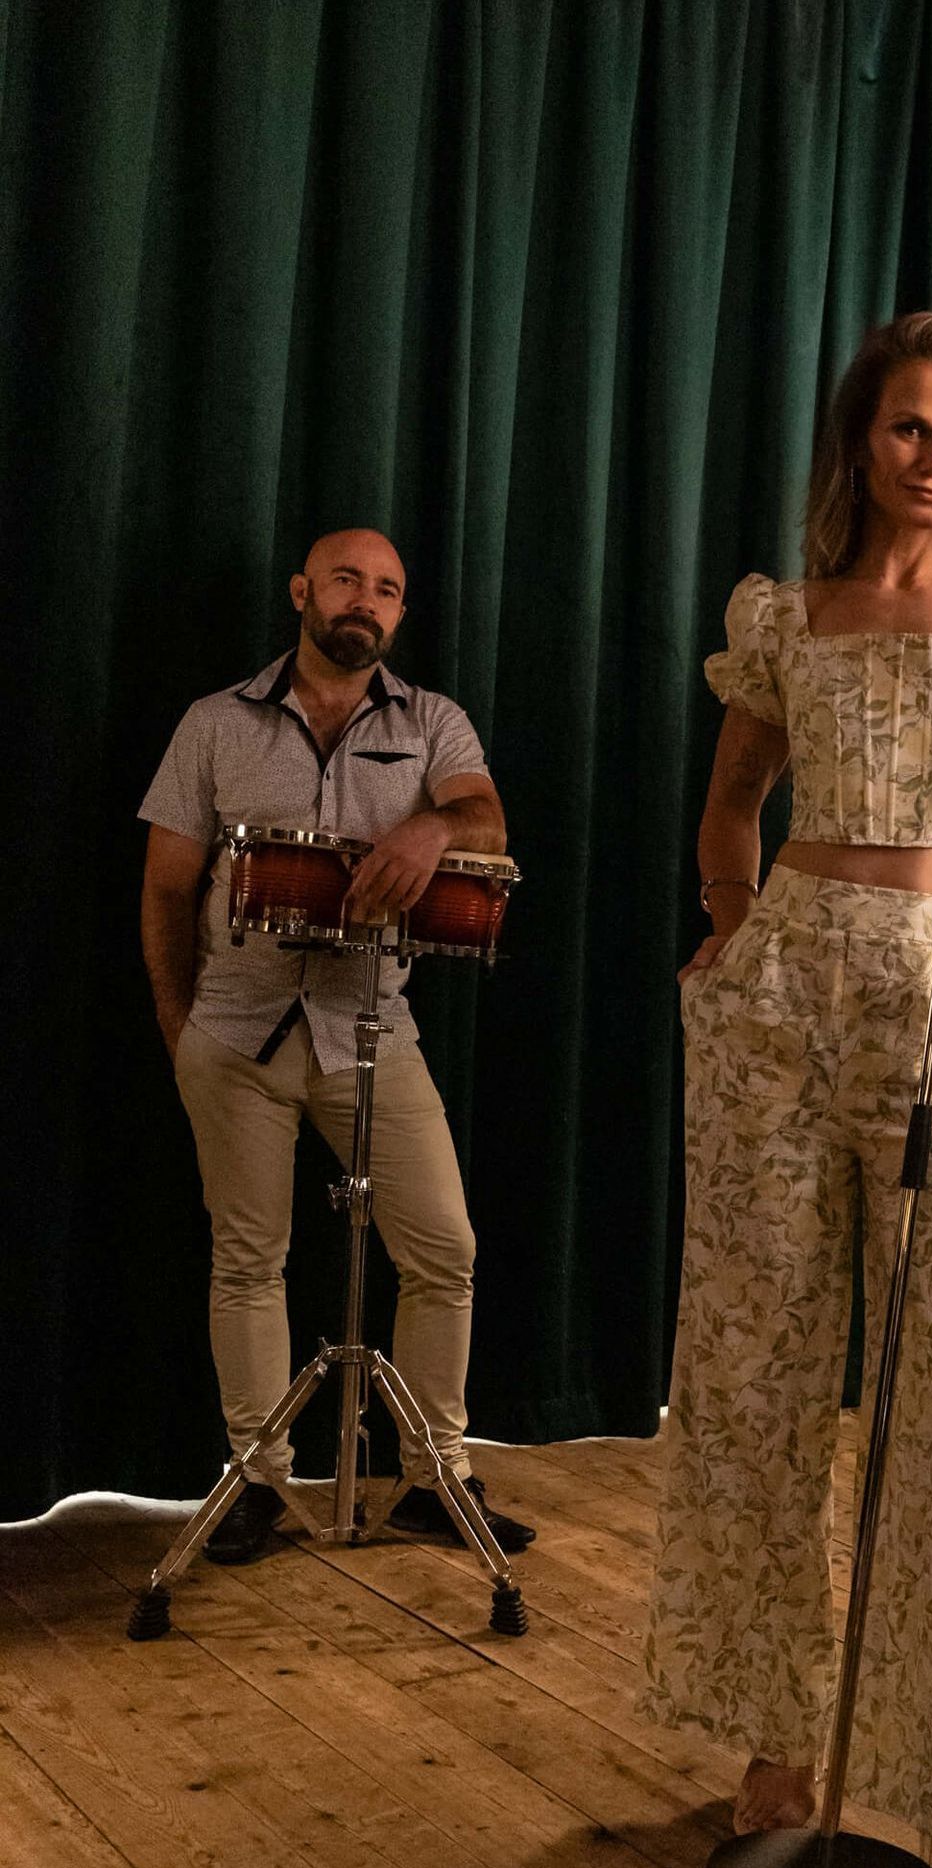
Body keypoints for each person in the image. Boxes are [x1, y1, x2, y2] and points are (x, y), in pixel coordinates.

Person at [638, 314, 932, 1868]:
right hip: (781, 1001)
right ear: (865, 442)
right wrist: (724, 924)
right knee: (763, 1367)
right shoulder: (789, 614)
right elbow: (732, 799)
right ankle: (779, 1742)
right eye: (909, 430)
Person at [138, 527, 534, 1566]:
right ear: (303, 591)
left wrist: (432, 831)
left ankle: (429, 1477)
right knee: (248, 1258)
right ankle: (256, 1484)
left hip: (373, 1029)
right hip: (235, 1034)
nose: (367, 600)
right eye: (349, 579)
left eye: (389, 590)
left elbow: (488, 820)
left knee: (445, 1250)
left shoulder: (434, 721)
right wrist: (182, 1035)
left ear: (399, 616)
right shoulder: (214, 723)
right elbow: (166, 889)